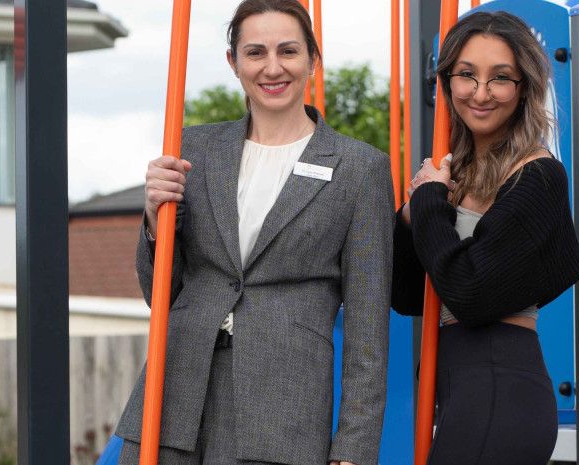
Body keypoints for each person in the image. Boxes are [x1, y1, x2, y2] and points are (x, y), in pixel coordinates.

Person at [114, 1, 393, 464]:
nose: (272, 67)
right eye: (255, 52)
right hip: (172, 403)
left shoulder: (359, 170)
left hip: (282, 415)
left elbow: (368, 332)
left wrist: (353, 450)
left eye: (288, 51)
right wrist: (151, 219)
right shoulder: (193, 149)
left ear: (312, 60)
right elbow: (160, 291)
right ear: (234, 62)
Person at [391, 11, 579, 465]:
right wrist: (408, 219)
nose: (480, 93)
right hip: (459, 383)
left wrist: (430, 206)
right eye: (466, 75)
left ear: (523, 89)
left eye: (499, 78)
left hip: (499, 378)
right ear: (448, 81)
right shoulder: (451, 174)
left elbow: (471, 294)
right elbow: (409, 297)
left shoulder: (538, 176)